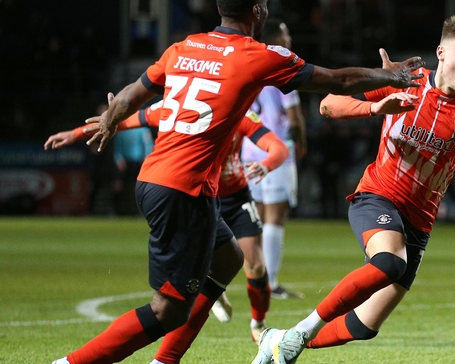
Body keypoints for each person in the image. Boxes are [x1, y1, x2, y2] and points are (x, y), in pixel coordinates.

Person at [50, 0, 423, 364]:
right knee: (167, 309)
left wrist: (110, 118)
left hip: (159, 180)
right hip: (183, 190)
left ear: (218, 9)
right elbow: (339, 79)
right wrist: (392, 76)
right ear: (258, 11)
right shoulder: (257, 55)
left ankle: (166, 359)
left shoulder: (183, 48)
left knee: (229, 258)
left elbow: (130, 96)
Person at [252, 15, 455, 364]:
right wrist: (373, 106)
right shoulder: (404, 81)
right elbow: (328, 104)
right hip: (377, 196)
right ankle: (301, 331)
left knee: (365, 325)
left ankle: (280, 343)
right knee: (389, 262)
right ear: (441, 53)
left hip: (420, 221)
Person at [46, 99, 286, 355]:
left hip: (229, 194)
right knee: (170, 309)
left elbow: (277, 146)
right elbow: (127, 118)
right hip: (193, 193)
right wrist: (76, 133)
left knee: (246, 262)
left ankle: (257, 322)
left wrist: (267, 164)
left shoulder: (238, 111)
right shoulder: (183, 104)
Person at [241, 18, 306, 299]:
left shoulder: (249, 69)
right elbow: (294, 118)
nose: (289, 39)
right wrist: (300, 141)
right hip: (276, 154)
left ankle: (255, 278)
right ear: (276, 40)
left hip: (248, 153)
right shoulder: (283, 71)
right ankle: (271, 283)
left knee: (255, 218)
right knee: (275, 217)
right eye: (286, 34)